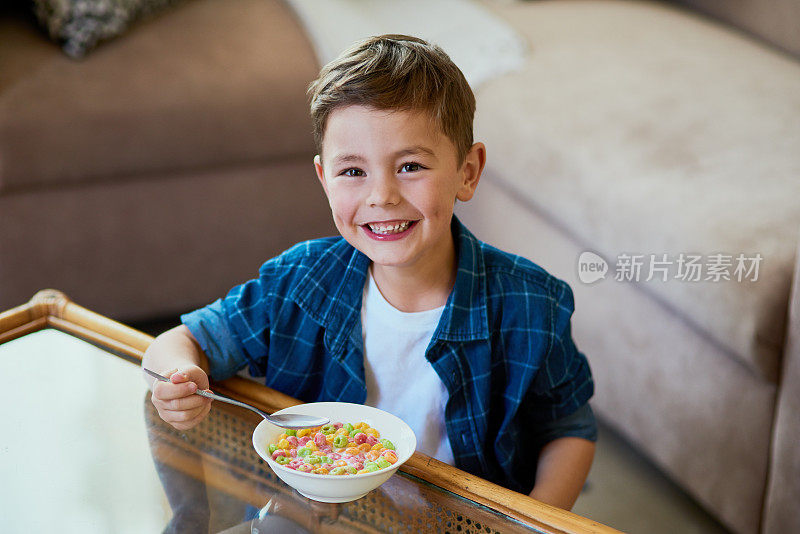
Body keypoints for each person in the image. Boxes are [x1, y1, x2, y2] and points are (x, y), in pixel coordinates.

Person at [143, 34, 597, 510]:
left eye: (410, 166)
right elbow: (178, 341)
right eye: (353, 172)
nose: (381, 195)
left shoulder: (531, 305)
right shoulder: (298, 283)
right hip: (317, 517)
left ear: (467, 171)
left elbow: (569, 430)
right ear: (324, 179)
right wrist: (175, 377)